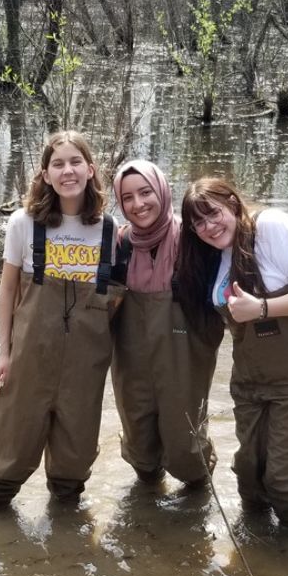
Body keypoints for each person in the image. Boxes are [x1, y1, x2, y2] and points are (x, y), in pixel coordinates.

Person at [177, 177, 288, 530]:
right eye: (198, 222)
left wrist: (262, 307)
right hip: (250, 382)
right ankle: (252, 558)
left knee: (285, 484)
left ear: (233, 204)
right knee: (248, 479)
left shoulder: (272, 227)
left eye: (213, 213)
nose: (208, 226)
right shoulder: (216, 254)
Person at [0, 130, 124, 509]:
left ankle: (66, 542)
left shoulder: (110, 231)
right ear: (45, 174)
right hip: (29, 357)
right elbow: (8, 292)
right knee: (12, 443)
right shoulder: (23, 224)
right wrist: (4, 354)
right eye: (57, 164)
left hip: (84, 365)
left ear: (91, 170)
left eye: (75, 162)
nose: (67, 171)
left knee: (73, 459)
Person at [110, 160, 223, 488]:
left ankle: (197, 506)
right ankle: (148, 506)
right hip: (131, 362)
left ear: (161, 190)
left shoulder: (194, 239)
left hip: (183, 359)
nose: (138, 204)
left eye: (145, 192)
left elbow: (233, 265)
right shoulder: (119, 245)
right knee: (140, 447)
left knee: (186, 449)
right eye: (127, 197)